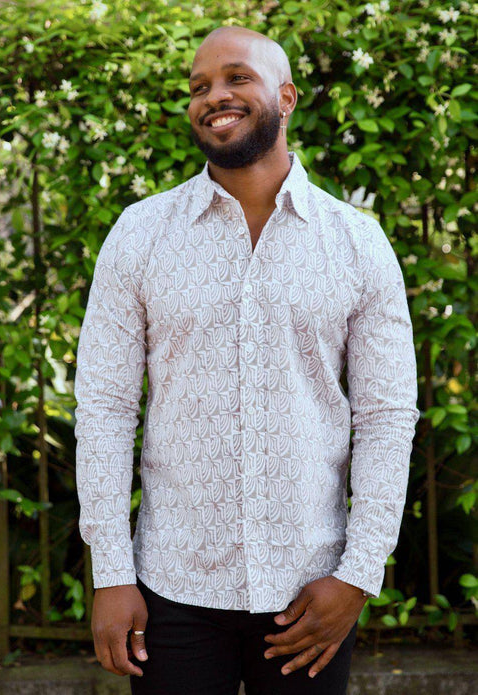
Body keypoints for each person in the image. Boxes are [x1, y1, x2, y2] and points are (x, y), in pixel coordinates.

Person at [74, 25, 419, 695]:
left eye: (237, 77)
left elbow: (385, 415)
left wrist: (357, 575)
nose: (214, 96)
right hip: (172, 585)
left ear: (285, 98)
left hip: (311, 592)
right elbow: (107, 408)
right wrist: (111, 573)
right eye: (199, 86)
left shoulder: (357, 242)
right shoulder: (140, 234)